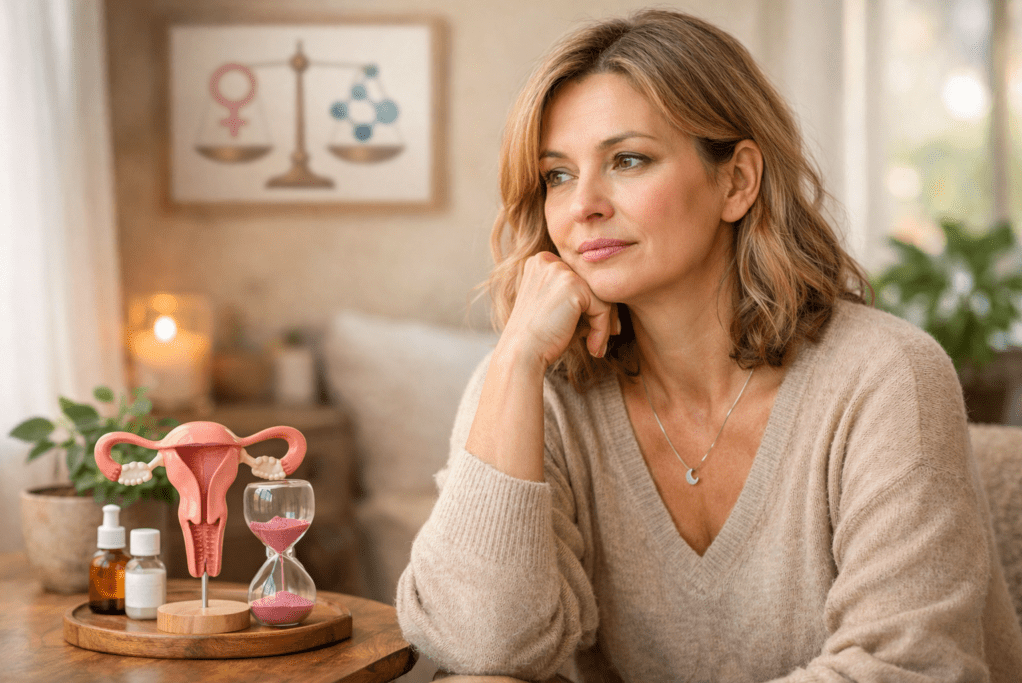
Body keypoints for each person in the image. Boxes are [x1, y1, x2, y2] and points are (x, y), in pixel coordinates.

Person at [395, 8, 1022, 682]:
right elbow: (477, 647)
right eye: (557, 175)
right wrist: (515, 356)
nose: (583, 207)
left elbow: (906, 668)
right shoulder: (532, 388)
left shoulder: (886, 375)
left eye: (627, 159)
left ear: (737, 180)